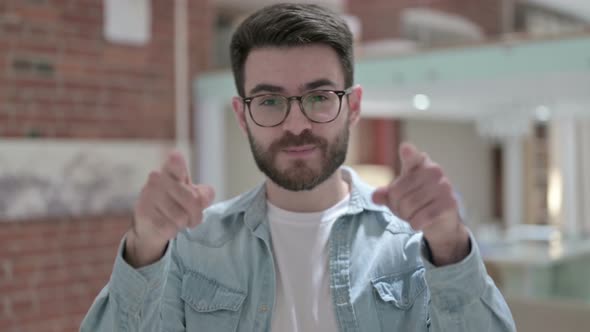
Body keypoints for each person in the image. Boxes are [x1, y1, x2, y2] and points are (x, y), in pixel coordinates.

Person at [81, 3, 515, 331]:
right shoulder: (192, 247)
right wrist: (142, 250)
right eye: (269, 101)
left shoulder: (415, 247)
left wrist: (453, 248)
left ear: (353, 106)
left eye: (319, 97)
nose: (296, 124)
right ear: (241, 114)